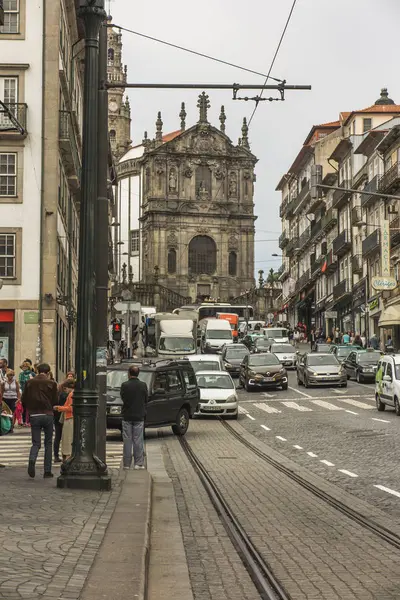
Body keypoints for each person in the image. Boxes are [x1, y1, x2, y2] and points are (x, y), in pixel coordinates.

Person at [21, 363, 58, 479]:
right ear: (48, 372)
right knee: (48, 443)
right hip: (48, 414)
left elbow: (24, 399)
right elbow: (55, 400)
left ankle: (32, 459)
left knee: (36, 443)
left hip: (34, 414)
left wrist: (29, 409)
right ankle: (47, 471)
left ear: (37, 371)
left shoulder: (30, 382)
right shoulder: (52, 383)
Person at [120, 365, 148, 470]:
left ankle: (126, 464)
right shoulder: (143, 385)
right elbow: (146, 399)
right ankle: (138, 463)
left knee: (127, 440)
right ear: (138, 374)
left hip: (127, 415)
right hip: (139, 416)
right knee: (138, 440)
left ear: (129, 373)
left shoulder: (124, 385)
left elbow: (123, 398)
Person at [53, 379, 74, 463]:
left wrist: (59, 408)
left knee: (67, 439)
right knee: (66, 438)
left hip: (69, 417)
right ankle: (67, 456)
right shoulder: (71, 394)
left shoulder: (71, 394)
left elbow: (71, 407)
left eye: (65, 389)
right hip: (68, 417)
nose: (65, 391)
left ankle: (68, 457)